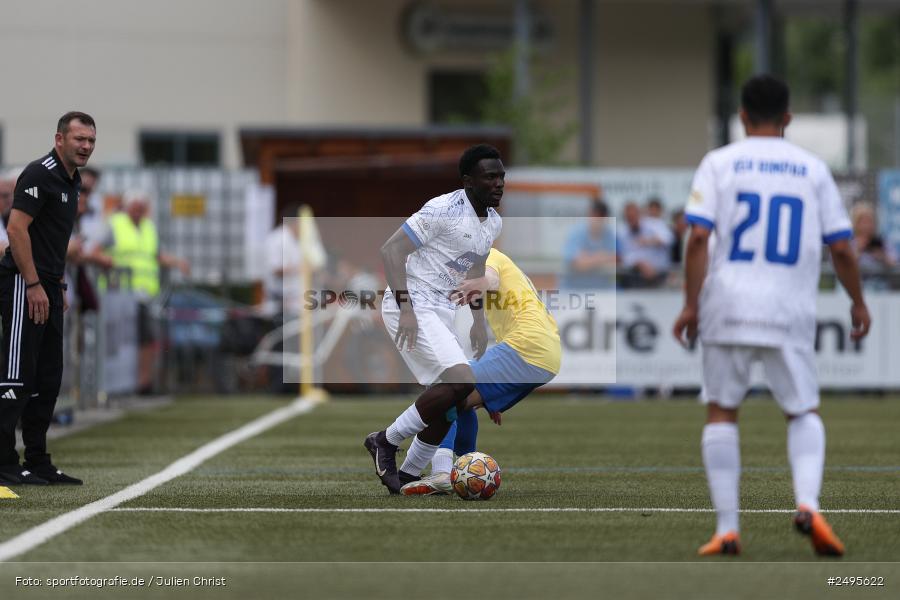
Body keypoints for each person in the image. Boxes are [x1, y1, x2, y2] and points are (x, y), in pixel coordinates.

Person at [673, 75, 871, 557]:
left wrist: (691, 304)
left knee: (722, 410)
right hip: (789, 307)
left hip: (728, 304)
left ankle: (727, 529)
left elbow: (698, 239)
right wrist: (858, 301)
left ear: (742, 116)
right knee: (801, 410)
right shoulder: (812, 169)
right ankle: (807, 503)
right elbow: (842, 247)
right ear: (787, 118)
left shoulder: (719, 163)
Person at [364, 144, 504, 494]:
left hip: (441, 310)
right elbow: (391, 250)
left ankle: (409, 473)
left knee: (456, 395)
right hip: (410, 304)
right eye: (491, 177)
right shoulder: (443, 209)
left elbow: (473, 269)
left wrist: (476, 321)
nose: (499, 183)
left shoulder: (493, 222)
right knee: (459, 380)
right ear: (468, 181)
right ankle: (385, 440)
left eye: (502, 176)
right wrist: (407, 309)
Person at [399, 248, 561, 495]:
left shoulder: (487, 254)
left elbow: (491, 279)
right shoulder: (483, 262)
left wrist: (477, 284)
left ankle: (442, 472)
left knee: (447, 390)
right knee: (461, 401)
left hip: (528, 345)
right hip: (545, 355)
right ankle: (467, 469)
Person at [0, 111, 96, 486]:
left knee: (48, 378)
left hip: (50, 286)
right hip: (26, 285)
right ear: (60, 140)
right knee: (16, 377)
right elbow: (16, 228)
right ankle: (5, 463)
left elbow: (53, 239)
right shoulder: (39, 173)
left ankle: (38, 460)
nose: (86, 146)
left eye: (90, 140)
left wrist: (59, 286)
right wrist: (36, 283)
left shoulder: (74, 179)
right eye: (79, 139)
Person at [95, 190, 190, 394]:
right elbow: (96, 250)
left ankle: (142, 382)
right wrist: (105, 262)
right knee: (119, 339)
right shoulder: (114, 224)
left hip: (144, 295)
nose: (138, 213)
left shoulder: (148, 227)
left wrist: (177, 262)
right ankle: (112, 383)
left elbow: (156, 256)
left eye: (141, 209)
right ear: (127, 208)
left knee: (145, 338)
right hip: (117, 293)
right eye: (135, 208)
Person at [559, 199, 618, 289]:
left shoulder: (609, 235)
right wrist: (601, 257)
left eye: (601, 216)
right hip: (574, 290)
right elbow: (578, 264)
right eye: (595, 215)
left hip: (601, 290)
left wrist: (589, 257)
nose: (597, 220)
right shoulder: (576, 233)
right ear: (590, 214)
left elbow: (615, 259)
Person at [617, 201, 673, 288]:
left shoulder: (655, 224)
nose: (631, 220)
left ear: (639, 214)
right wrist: (640, 264)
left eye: (633, 216)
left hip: (660, 275)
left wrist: (650, 241)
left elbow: (668, 239)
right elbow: (623, 256)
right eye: (628, 218)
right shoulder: (622, 232)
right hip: (635, 277)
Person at [850, 202, 895, 288]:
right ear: (855, 223)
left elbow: (894, 262)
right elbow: (842, 264)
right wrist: (858, 250)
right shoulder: (848, 242)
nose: (867, 226)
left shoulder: (881, 242)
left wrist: (882, 256)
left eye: (869, 222)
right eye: (863, 222)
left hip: (879, 289)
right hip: (854, 287)